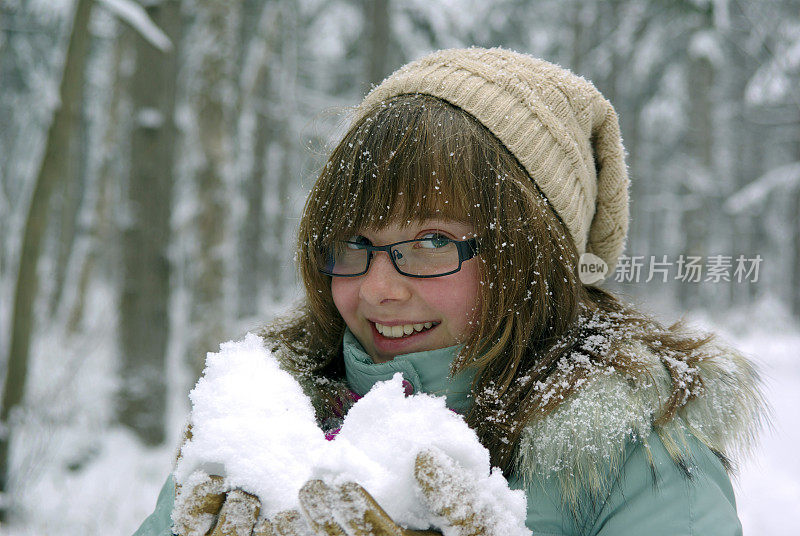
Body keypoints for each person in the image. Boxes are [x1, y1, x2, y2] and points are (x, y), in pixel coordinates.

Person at [134, 47, 766, 536]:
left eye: (433, 242)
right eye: (353, 244)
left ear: (533, 258)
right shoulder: (266, 418)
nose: (378, 288)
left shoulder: (636, 459)